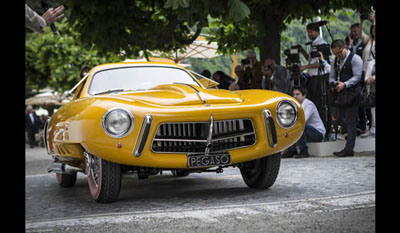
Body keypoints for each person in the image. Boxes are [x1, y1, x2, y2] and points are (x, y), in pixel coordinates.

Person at [329, 39, 363, 157]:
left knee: (350, 120)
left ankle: (349, 148)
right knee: (341, 120)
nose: (338, 55)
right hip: (339, 94)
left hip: (352, 93)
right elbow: (331, 76)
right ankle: (348, 146)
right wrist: (334, 84)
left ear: (345, 47)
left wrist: (345, 84)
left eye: (339, 53)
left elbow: (358, 77)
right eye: (335, 54)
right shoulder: (335, 61)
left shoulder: (355, 58)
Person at [299, 22, 330, 133]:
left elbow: (320, 63)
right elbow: (311, 59)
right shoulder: (312, 44)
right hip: (313, 77)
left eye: (311, 32)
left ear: (317, 32)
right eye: (308, 32)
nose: (309, 34)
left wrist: (305, 67)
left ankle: (322, 128)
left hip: (319, 77)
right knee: (313, 101)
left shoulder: (321, 44)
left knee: (319, 102)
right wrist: (302, 51)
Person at [282, 86, 326, 158]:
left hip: (318, 133)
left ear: (304, 95)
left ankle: (304, 151)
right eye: (294, 94)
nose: (295, 96)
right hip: (306, 133)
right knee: (291, 126)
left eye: (297, 94)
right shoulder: (295, 105)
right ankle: (291, 150)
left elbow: (303, 120)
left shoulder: (309, 104)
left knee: (300, 125)